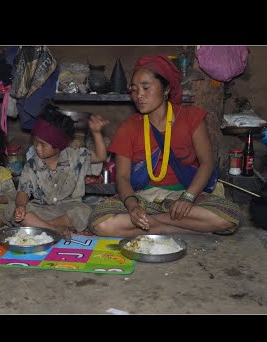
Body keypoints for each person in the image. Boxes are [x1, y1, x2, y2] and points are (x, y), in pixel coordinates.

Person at [89, 54, 242, 237]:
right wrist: (133, 208)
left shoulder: (190, 118)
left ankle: (153, 225)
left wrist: (188, 198)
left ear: (166, 89)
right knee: (100, 223)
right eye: (134, 89)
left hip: (183, 196)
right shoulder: (128, 128)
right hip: (143, 198)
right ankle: (177, 227)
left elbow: (207, 163)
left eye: (146, 88)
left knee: (228, 218)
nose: (139, 95)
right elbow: (122, 177)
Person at [5, 103, 109, 239]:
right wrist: (20, 207)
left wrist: (96, 133)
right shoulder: (31, 165)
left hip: (67, 210)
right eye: (35, 142)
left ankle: (42, 227)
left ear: (58, 145)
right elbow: (23, 192)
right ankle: (52, 229)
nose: (37, 147)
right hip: (41, 209)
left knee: (84, 211)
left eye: (43, 144)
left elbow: (101, 156)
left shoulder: (75, 156)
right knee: (10, 208)